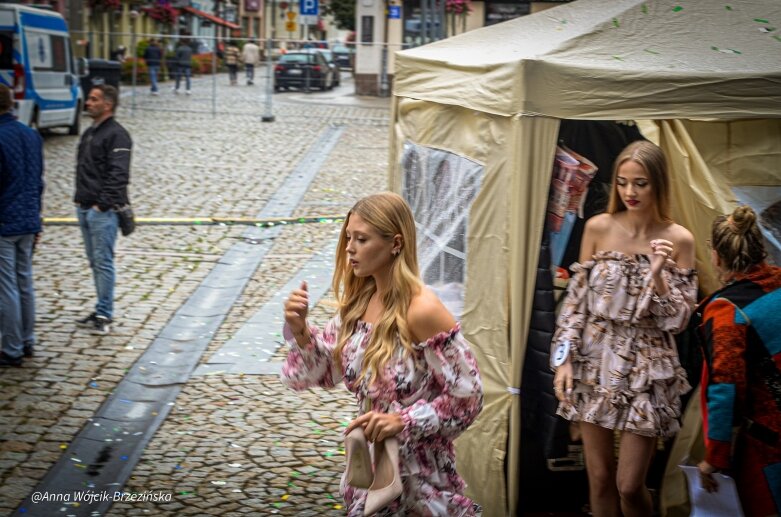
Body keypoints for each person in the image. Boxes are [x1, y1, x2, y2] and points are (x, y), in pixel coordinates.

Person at [282, 192, 483, 516]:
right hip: (371, 472)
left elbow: (469, 397)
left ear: (395, 244)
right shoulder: (360, 303)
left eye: (361, 239)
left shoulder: (423, 310)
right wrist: (301, 329)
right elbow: (325, 372)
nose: (349, 248)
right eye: (348, 237)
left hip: (418, 479)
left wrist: (402, 421)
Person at [551, 140, 697, 516]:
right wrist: (563, 360)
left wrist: (659, 276)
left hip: (648, 365)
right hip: (593, 359)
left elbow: (678, 321)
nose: (630, 192)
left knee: (629, 487)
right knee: (599, 478)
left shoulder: (679, 239)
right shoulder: (598, 228)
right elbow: (574, 306)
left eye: (641, 183)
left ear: (659, 185)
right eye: (623, 182)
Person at [696, 205, 781, 517]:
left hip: (770, 443)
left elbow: (725, 386)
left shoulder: (727, 311)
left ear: (717, 256)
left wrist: (715, 456)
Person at [74, 85, 132, 335]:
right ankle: (100, 306)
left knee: (103, 261)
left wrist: (102, 205)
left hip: (102, 212)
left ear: (107, 105)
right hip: (85, 207)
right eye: (89, 98)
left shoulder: (117, 135)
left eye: (94, 99)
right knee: (94, 262)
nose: (88, 102)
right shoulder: (90, 133)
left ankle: (104, 314)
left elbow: (119, 174)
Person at [0, 84, 44, 367]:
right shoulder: (32, 135)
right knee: (24, 282)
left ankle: (12, 347)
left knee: (6, 287)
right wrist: (37, 218)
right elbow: (39, 181)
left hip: (5, 222)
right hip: (28, 219)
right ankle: (27, 340)